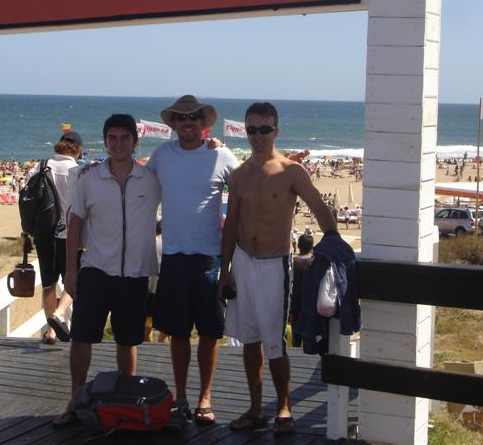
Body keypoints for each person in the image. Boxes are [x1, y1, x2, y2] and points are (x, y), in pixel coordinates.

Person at [217, 102, 337, 435]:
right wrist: (224, 270)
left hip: (275, 265)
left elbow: (318, 206)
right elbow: (231, 225)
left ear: (275, 131)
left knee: (274, 341)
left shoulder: (290, 171)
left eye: (264, 129)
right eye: (251, 129)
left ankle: (284, 407)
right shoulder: (239, 175)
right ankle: (255, 408)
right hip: (243, 261)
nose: (257, 136)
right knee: (249, 339)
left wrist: (335, 242)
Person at [53, 114, 161, 429]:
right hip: (96, 269)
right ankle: (75, 400)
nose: (118, 144)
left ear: (135, 142)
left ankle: (127, 401)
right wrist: (71, 271)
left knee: (127, 341)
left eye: (124, 138)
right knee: (81, 338)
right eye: (112, 138)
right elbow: (74, 226)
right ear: (104, 142)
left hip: (135, 273)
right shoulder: (89, 179)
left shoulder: (151, 179)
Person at [147, 95, 239, 427]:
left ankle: (205, 397)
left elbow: (248, 186)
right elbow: (136, 182)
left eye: (193, 117)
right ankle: (182, 396)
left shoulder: (221, 155)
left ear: (203, 123)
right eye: (181, 118)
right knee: (178, 332)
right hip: (173, 257)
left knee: (210, 331)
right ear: (173, 124)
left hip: (210, 258)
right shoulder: (162, 155)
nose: (187, 123)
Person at [29, 131, 84, 344]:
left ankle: (51, 332)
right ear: (78, 149)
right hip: (70, 234)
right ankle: (60, 314)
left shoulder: (40, 167)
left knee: (48, 285)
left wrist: (26, 233)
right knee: (74, 281)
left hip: (43, 234)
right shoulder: (78, 171)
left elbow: (29, 203)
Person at [289, 233, 314, 348]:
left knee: (296, 338)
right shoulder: (315, 262)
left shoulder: (293, 263)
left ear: (298, 246)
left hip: (296, 304)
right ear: (312, 247)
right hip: (311, 304)